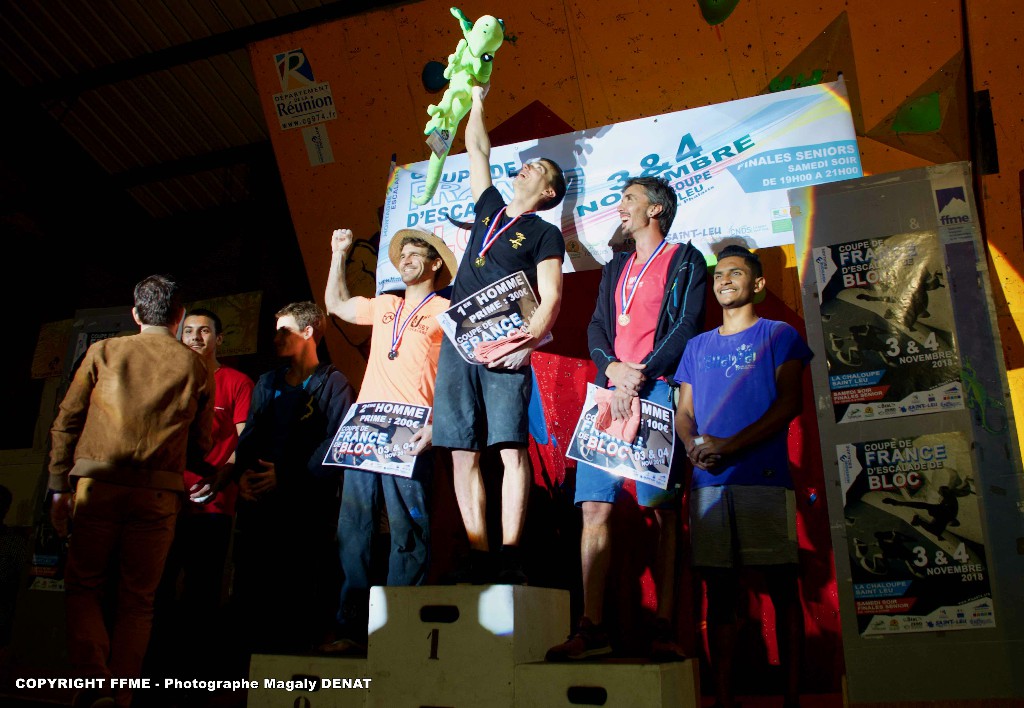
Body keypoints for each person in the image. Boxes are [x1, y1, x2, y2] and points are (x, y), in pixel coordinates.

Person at [545, 176, 706, 661]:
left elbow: (686, 326)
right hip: (609, 392)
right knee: (593, 508)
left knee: (663, 512)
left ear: (655, 209)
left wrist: (640, 375)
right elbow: (597, 324)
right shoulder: (616, 266)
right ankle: (591, 626)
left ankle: (664, 627)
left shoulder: (686, 260)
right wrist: (613, 369)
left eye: (629, 199)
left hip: (656, 391)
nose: (620, 207)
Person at [48, 274, 215, 708]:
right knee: (138, 602)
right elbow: (202, 444)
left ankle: (94, 681)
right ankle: (121, 698)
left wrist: (58, 486)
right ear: (179, 316)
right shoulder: (196, 366)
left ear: (136, 314)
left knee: (84, 587)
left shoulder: (103, 351)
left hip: (98, 486)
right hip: (158, 494)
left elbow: (67, 421)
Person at [432, 83, 568, 585]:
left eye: (540, 168)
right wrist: (477, 99)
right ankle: (478, 552)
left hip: (505, 346)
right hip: (460, 343)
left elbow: (551, 297)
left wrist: (526, 345)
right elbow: (477, 149)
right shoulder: (489, 205)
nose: (527, 166)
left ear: (549, 192)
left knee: (510, 449)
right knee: (461, 450)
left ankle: (511, 553)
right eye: (528, 163)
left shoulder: (544, 233)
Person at [674, 245, 812, 708]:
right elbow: (684, 413)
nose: (724, 280)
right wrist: (694, 447)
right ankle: (723, 698)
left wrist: (729, 446)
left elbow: (790, 403)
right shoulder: (696, 346)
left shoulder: (779, 334)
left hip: (763, 480)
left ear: (758, 284)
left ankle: (792, 698)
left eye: (736, 273)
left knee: (781, 589)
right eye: (719, 275)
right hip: (710, 486)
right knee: (720, 592)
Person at [319, 226, 457, 655]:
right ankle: (350, 627)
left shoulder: (447, 311)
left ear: (435, 264)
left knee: (406, 530)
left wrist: (439, 424)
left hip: (409, 429)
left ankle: (397, 629)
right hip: (364, 425)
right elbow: (336, 304)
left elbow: (459, 376)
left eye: (416, 254)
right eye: (403, 254)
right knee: (353, 530)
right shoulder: (384, 304)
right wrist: (339, 253)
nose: (406, 260)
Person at [230, 301, 354, 655]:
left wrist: (285, 476)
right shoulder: (268, 382)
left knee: (297, 585)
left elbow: (337, 442)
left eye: (284, 330)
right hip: (261, 504)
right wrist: (242, 476)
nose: (276, 338)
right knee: (255, 586)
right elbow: (250, 436)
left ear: (308, 332)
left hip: (305, 508)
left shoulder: (333, 383)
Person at [146, 308, 254, 683]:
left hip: (212, 503)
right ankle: (153, 670)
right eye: (188, 330)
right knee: (157, 586)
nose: (195, 336)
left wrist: (225, 475)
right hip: (164, 501)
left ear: (218, 339)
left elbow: (244, 438)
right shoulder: (167, 377)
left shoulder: (237, 382)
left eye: (204, 330)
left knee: (202, 590)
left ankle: (194, 675)